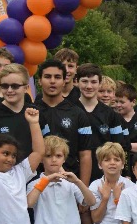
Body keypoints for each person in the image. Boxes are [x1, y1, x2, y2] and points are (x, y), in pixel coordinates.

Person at [35, 59, 94, 187]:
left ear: (64, 81)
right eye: (47, 77)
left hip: (69, 183)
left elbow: (85, 154)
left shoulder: (78, 113)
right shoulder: (31, 112)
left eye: (57, 77)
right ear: (39, 81)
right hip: (36, 183)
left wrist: (82, 188)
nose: (52, 81)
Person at [76, 63, 126, 182]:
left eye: (93, 82)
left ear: (99, 84)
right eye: (84, 81)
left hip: (104, 176)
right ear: (77, 82)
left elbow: (119, 148)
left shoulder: (111, 114)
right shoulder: (68, 110)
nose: (89, 86)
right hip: (74, 173)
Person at [0, 64, 36, 162]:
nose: (9, 90)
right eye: (5, 86)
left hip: (33, 170)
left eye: (15, 86)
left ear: (26, 88)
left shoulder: (35, 113)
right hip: (1, 171)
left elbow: (46, 148)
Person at [113, 82, 137, 178]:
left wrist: (125, 145)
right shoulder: (112, 118)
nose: (118, 105)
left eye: (122, 102)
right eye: (116, 101)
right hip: (116, 165)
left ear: (133, 102)